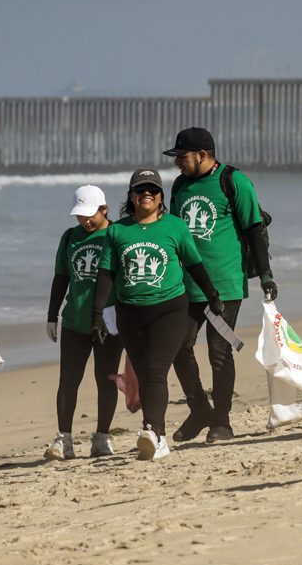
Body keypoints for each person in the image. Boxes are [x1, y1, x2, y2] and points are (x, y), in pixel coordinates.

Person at [91, 168, 223, 461]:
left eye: (152, 189)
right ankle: (152, 433)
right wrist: (97, 313)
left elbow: (194, 264)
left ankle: (156, 434)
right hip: (130, 313)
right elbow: (106, 274)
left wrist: (212, 295)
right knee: (143, 371)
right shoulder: (116, 231)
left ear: (161, 196)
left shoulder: (175, 227)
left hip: (169, 309)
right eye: (140, 190)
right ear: (131, 196)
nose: (146, 194)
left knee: (155, 370)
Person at [165, 127, 276, 443]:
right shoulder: (180, 186)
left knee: (219, 352)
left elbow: (255, 228)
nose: (178, 164)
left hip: (225, 285)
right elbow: (174, 235)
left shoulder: (233, 181)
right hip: (186, 286)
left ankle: (222, 422)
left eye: (182, 157)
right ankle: (200, 409)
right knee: (178, 347)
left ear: (202, 155)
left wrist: (266, 275)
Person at [43, 185, 123, 460]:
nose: (85, 221)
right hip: (75, 320)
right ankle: (64, 438)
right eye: (80, 215)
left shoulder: (117, 234)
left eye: (90, 215)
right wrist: (52, 315)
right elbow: (61, 277)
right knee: (68, 380)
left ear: (105, 210)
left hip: (109, 323)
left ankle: (102, 437)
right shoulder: (70, 238)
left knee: (107, 379)